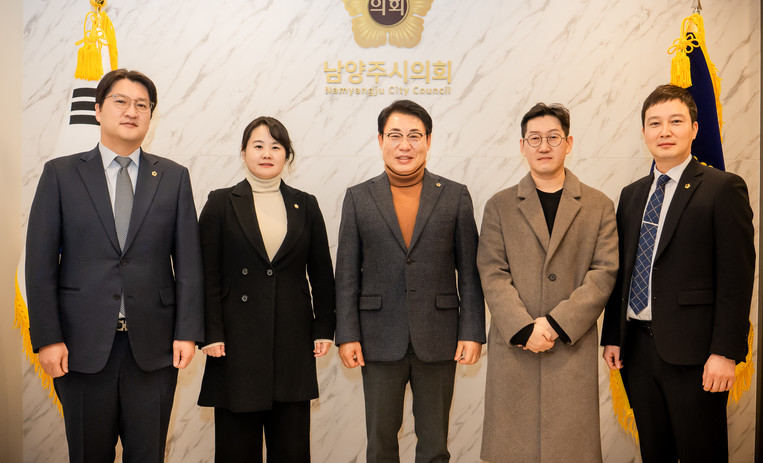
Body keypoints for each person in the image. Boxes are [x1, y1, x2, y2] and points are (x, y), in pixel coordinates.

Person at [25, 68, 204, 462]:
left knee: (148, 454)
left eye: (142, 105)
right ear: (98, 110)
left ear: (151, 115)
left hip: (154, 349)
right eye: (120, 101)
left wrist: (187, 332)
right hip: (80, 348)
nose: (131, 111)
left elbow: (189, 263)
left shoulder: (173, 177)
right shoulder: (61, 174)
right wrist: (48, 338)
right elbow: (40, 265)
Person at [601, 84, 755, 462]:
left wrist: (725, 352)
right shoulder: (632, 194)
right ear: (644, 133)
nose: (665, 131)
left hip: (696, 355)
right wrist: (613, 336)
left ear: (695, 129)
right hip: (638, 352)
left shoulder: (722, 188)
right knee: (655, 453)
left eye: (676, 121)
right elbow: (622, 272)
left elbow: (736, 279)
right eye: (655, 123)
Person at [335, 99, 486, 463]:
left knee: (434, 446)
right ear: (380, 140)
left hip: (439, 336)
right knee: (380, 445)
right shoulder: (358, 197)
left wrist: (472, 332)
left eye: (414, 136)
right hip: (377, 338)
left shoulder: (455, 195)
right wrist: (348, 334)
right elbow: (346, 275)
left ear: (428, 141)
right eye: (395, 135)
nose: (405, 145)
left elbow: (470, 272)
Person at [477, 103, 618, 462]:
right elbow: (492, 273)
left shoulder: (599, 205)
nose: (544, 146)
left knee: (570, 452)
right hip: (516, 348)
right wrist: (524, 328)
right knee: (513, 451)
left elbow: (603, 273)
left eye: (553, 137)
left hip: (570, 347)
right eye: (535, 139)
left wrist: (555, 323)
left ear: (569, 143)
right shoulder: (499, 206)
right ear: (522, 146)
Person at [197, 116, 335, 462]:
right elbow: (207, 274)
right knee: (236, 451)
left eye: (276, 146)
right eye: (258, 145)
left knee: (291, 449)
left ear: (287, 154)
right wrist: (210, 333)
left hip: (292, 343)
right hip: (234, 345)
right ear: (244, 152)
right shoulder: (220, 203)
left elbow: (321, 272)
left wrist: (323, 327)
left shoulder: (306, 204)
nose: (267, 153)